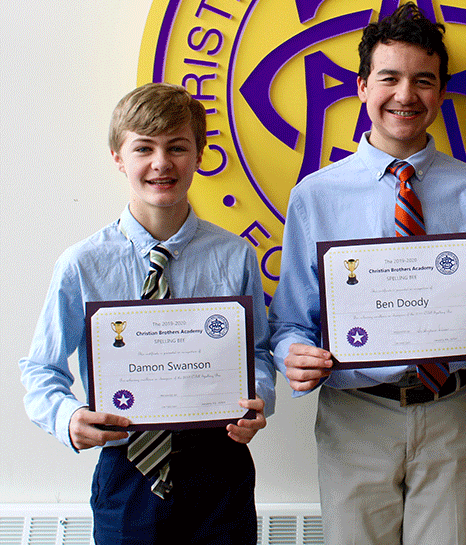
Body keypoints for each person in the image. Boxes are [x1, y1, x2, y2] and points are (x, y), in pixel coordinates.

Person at [269, 2, 466, 545]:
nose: (405, 96)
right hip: (354, 417)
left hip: (451, 412)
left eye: (423, 81)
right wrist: (293, 354)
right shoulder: (314, 196)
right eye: (389, 78)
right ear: (361, 87)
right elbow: (291, 322)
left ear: (441, 92)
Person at [19, 83, 275, 545]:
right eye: (144, 148)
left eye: (177, 147)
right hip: (125, 467)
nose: (161, 163)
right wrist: (68, 418)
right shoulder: (82, 265)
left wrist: (261, 400)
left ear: (199, 155)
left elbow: (255, 354)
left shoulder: (235, 257)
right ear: (118, 157)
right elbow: (41, 370)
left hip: (220, 465)